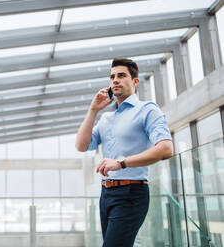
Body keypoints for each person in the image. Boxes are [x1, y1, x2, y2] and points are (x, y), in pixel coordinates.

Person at [75, 57, 174, 247]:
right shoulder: (106, 118)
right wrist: (92, 110)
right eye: (112, 77)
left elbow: (166, 149)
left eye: (121, 75)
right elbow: (81, 145)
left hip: (131, 193)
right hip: (106, 194)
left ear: (135, 81)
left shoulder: (147, 110)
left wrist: (121, 162)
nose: (115, 80)